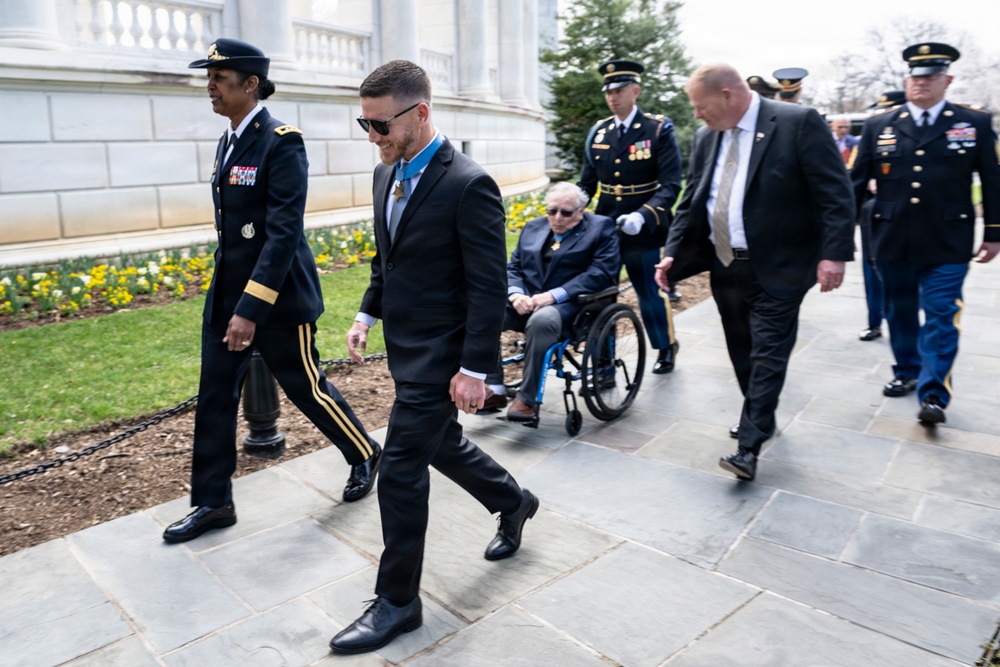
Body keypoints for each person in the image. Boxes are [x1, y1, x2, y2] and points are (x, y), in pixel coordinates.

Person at [332, 60, 537, 654]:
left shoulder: (469, 184)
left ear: (420, 113)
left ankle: (399, 601)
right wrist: (367, 313)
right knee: (440, 444)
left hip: (445, 356)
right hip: (406, 347)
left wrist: (475, 370)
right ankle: (514, 501)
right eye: (365, 124)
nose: (372, 137)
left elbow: (486, 286)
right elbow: (388, 258)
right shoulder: (385, 172)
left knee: (400, 468)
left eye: (381, 125)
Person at [163, 39, 382, 543]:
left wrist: (251, 310)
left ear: (251, 84)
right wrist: (233, 305)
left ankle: (365, 452)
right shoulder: (229, 140)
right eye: (208, 78)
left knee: (307, 388)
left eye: (219, 79)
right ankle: (213, 503)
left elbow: (282, 234)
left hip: (277, 299)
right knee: (215, 399)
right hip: (228, 296)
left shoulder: (282, 142)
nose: (210, 87)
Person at [654, 64, 854, 481]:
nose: (697, 115)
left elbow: (835, 193)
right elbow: (692, 200)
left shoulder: (798, 123)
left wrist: (834, 255)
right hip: (725, 264)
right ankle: (760, 414)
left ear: (728, 94)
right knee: (741, 349)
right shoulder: (708, 136)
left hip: (781, 264)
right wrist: (672, 253)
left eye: (701, 106)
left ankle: (748, 446)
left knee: (767, 353)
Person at [849, 43, 1000, 425]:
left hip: (948, 241)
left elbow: (993, 181)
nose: (922, 82)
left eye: (931, 76)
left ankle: (934, 394)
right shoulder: (879, 125)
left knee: (941, 314)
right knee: (899, 312)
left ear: (947, 80)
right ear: (907, 80)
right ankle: (907, 369)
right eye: (916, 76)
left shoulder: (974, 122)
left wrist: (994, 232)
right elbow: (855, 184)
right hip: (892, 238)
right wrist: (835, 239)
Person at [577, 59, 683, 375]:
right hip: (606, 227)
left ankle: (665, 345)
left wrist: (643, 215)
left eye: (619, 90)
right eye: (608, 91)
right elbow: (587, 183)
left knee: (649, 292)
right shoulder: (599, 132)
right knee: (601, 295)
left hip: (645, 228)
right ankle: (605, 362)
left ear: (635, 91)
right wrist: (571, 206)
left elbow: (671, 185)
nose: (612, 97)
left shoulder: (657, 129)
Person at [484, 182, 620, 422]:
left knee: (541, 321)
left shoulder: (601, 228)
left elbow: (600, 272)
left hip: (574, 306)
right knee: (484, 314)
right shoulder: (533, 227)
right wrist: (516, 295)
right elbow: (514, 267)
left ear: (581, 210)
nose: (557, 217)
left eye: (566, 212)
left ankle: (526, 400)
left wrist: (554, 295)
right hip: (528, 301)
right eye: (552, 211)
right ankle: (494, 388)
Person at [851, 90, 905, 342]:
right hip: (874, 211)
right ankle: (874, 321)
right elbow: (855, 176)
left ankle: (903, 321)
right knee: (872, 269)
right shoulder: (871, 134)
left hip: (909, 215)